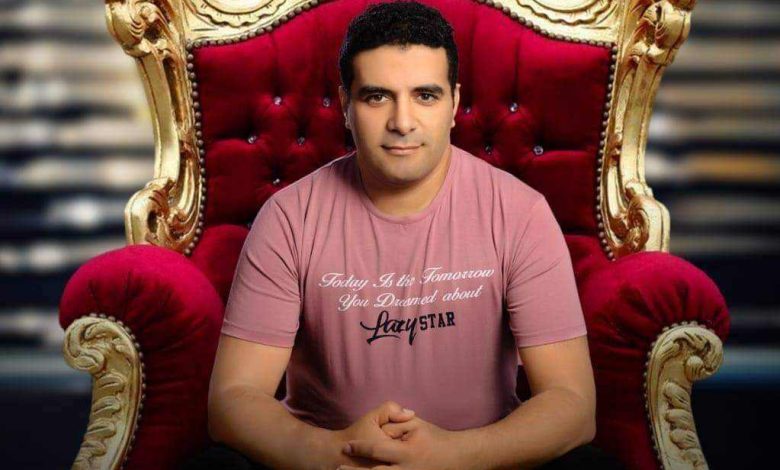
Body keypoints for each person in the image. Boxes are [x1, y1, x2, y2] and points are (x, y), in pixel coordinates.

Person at [186, 1, 625, 469]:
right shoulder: (288, 217)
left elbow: (572, 405)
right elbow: (233, 400)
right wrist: (338, 453)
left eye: (425, 96)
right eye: (377, 97)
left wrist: (448, 456)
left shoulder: (521, 213)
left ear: (454, 103)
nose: (402, 122)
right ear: (346, 106)